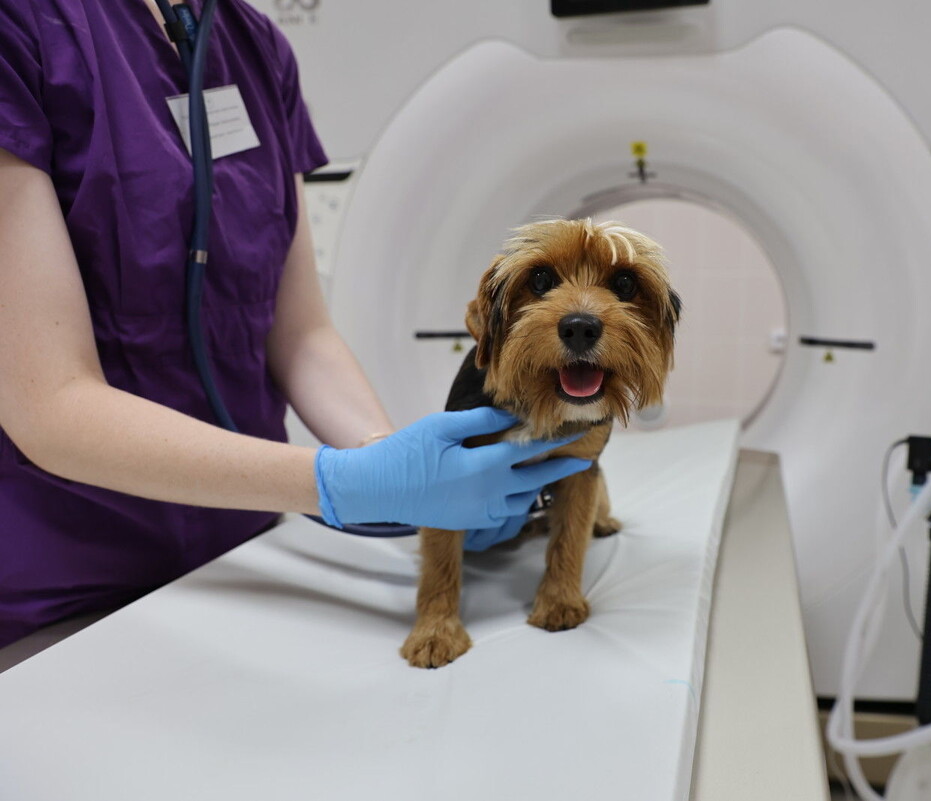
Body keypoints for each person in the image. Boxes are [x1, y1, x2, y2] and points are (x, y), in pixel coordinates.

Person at [0, 0, 589, 649]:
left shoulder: (251, 44)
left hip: (245, 556)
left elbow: (300, 335)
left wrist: (391, 465)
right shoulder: (23, 29)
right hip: (67, 590)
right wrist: (342, 483)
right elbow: (48, 404)